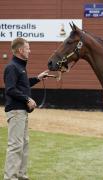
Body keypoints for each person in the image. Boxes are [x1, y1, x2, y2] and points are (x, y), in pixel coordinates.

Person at [3, 37, 49, 180]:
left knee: (23, 145)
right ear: (20, 50)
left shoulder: (20, 67)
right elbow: (10, 89)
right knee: (15, 146)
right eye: (28, 48)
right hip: (16, 111)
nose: (30, 50)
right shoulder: (12, 67)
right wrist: (27, 99)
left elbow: (23, 85)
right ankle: (10, 177)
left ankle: (21, 175)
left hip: (21, 112)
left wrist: (38, 78)